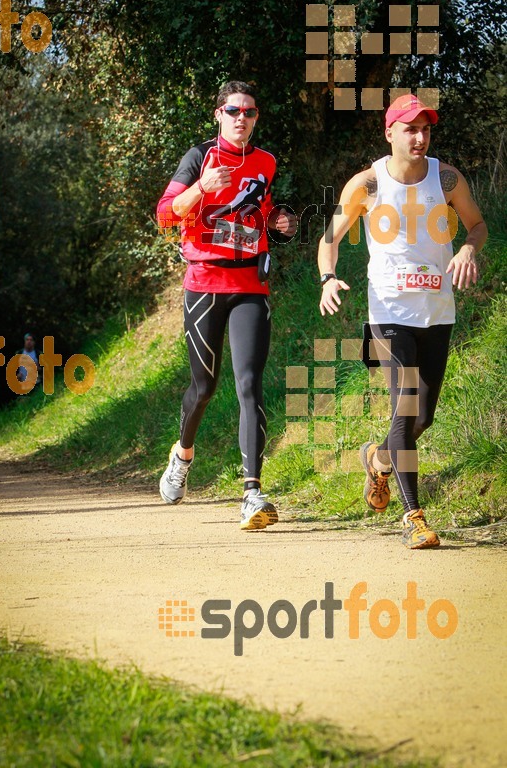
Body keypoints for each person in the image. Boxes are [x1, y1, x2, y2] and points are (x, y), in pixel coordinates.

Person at [318, 94, 487, 549]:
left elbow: (477, 224)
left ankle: (376, 458)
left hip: (437, 310)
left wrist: (469, 248)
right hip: (388, 312)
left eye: (426, 129)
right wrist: (328, 278)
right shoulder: (368, 185)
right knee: (406, 403)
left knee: (422, 416)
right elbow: (329, 238)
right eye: (410, 128)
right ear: (389, 132)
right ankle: (415, 516)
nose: (420, 137)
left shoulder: (446, 177)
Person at [156, 80, 296, 530]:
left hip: (250, 284)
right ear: (219, 114)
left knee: (249, 385)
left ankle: (252, 493)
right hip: (204, 284)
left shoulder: (266, 162)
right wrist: (201, 187)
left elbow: (262, 211)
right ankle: (182, 455)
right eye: (233, 110)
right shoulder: (199, 157)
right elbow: (164, 214)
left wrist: (279, 221)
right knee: (204, 388)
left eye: (250, 112)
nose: (242, 118)